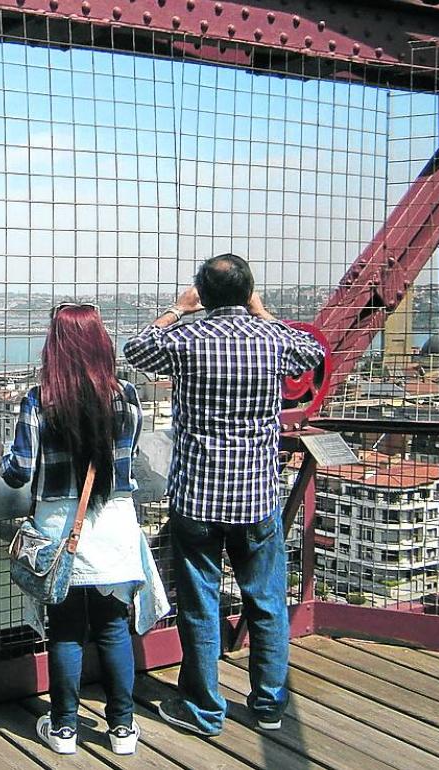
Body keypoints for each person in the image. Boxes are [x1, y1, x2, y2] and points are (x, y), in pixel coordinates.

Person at [122, 253, 325, 737]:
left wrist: (178, 308)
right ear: (248, 291)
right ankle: (270, 705)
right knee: (268, 601)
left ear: (202, 294)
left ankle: (203, 708)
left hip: (198, 495)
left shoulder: (187, 339)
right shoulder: (273, 339)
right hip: (257, 495)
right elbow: (310, 351)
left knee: (199, 604)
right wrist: (260, 309)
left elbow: (136, 348)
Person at [0, 302, 168, 757]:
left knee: (65, 633)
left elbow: (19, 472)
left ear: (54, 347)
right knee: (113, 630)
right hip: (117, 527)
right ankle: (122, 729)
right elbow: (126, 457)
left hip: (61, 533)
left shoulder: (40, 400)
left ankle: (63, 730)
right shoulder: (127, 396)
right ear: (102, 344)